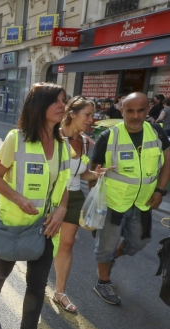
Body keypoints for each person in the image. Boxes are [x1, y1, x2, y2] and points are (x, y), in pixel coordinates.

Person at [0, 83, 71, 329]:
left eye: (65, 101)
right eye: (57, 101)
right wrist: (18, 198)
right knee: (1, 271)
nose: (63, 105)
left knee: (36, 286)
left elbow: (65, 185)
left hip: (44, 228)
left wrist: (61, 209)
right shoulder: (15, 139)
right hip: (12, 225)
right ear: (40, 105)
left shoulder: (63, 145)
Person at [89, 92, 170, 305]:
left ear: (148, 109)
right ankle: (103, 281)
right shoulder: (109, 136)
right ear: (122, 110)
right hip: (113, 204)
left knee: (139, 243)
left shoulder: (157, 133)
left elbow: (168, 161)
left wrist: (160, 191)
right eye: (130, 110)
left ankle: (112, 257)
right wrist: (95, 197)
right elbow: (92, 170)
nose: (135, 116)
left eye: (141, 110)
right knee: (105, 247)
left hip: (143, 203)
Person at [53, 96, 112, 313]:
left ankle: (60, 292)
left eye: (92, 115)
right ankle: (34, 285)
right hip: (51, 196)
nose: (91, 119)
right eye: (87, 115)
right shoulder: (53, 137)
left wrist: (95, 174)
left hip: (75, 196)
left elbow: (81, 173)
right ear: (72, 114)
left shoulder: (86, 142)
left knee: (66, 244)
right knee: (42, 244)